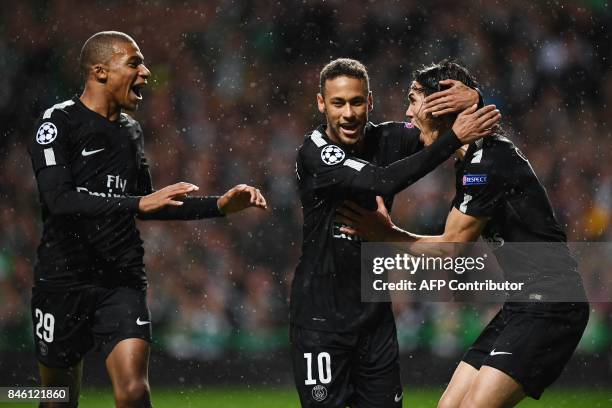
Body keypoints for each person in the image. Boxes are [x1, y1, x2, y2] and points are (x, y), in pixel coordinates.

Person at [28, 31, 267, 408]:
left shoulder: (130, 132)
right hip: (63, 279)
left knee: (134, 392)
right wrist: (136, 204)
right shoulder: (57, 123)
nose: (146, 72)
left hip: (120, 278)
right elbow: (59, 201)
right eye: (134, 63)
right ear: (100, 71)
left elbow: (152, 204)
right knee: (57, 399)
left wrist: (218, 206)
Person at [336, 60, 589, 408]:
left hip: (553, 304)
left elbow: (450, 249)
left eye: (413, 99)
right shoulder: (474, 157)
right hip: (522, 304)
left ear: (440, 105)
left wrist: (385, 233)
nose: (408, 112)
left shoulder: (486, 163)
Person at [291, 57, 500, 407]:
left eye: (357, 102)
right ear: (321, 103)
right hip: (321, 322)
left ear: (369, 102)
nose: (348, 114)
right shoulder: (315, 153)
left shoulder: (387, 138)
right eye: (338, 103)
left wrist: (472, 98)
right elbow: (382, 179)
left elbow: (441, 126)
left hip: (374, 320)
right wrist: (454, 138)